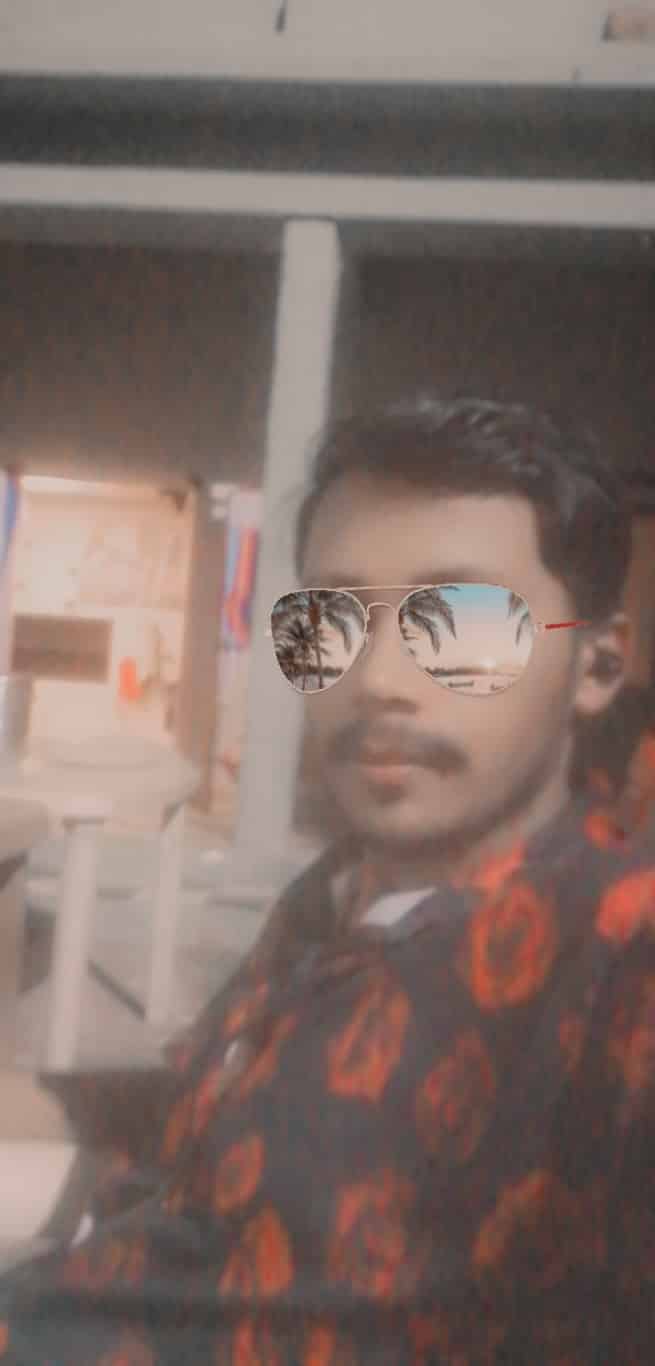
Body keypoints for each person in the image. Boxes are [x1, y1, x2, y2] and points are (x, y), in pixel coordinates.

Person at [2, 398, 655, 1364]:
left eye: (462, 625)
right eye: (327, 621)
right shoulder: (338, 889)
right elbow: (198, 1098)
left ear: (595, 665)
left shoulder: (616, 958)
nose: (376, 679)